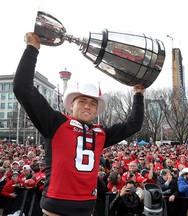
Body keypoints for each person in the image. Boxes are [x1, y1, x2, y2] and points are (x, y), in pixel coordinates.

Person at [13, 32, 145, 216]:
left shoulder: (101, 133)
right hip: (55, 208)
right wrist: (32, 48)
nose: (87, 106)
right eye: (82, 101)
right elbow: (22, 87)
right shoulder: (55, 122)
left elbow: (133, 125)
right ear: (72, 104)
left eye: (93, 103)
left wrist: (138, 94)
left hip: (87, 208)